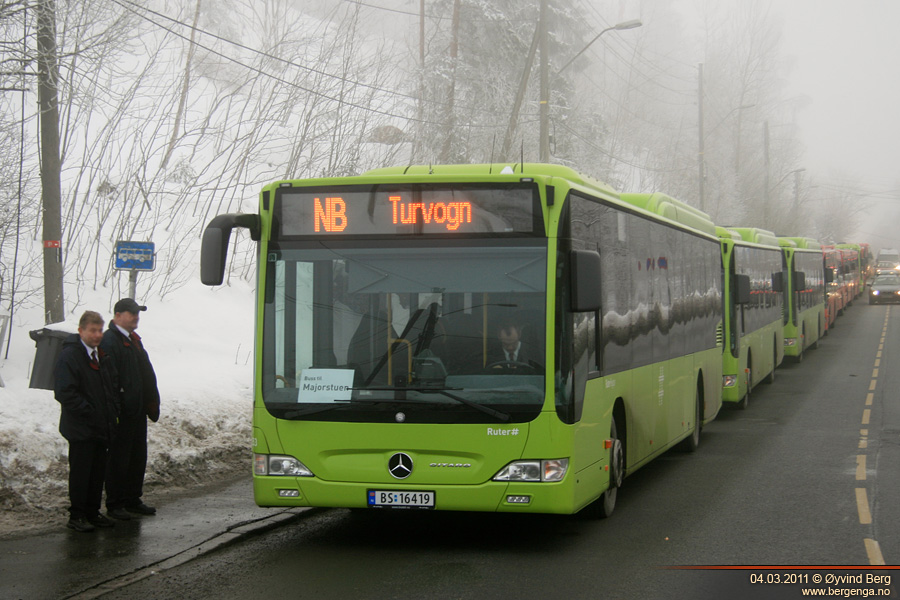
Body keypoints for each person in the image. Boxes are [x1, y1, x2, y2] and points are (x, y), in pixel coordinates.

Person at [54, 311, 119, 532]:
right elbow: (65, 392)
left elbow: (109, 388)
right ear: (81, 331)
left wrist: (111, 412)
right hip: (81, 428)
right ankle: (77, 515)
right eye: (92, 330)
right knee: (82, 473)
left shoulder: (101, 355)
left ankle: (93, 512)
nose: (97, 335)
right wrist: (89, 412)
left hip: (101, 427)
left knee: (97, 473)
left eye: (100, 330)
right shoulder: (70, 355)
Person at [101, 298, 160, 520]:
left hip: (136, 410)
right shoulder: (110, 341)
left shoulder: (133, 340)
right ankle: (115, 503)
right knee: (119, 459)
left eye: (137, 313)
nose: (135, 316)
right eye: (130, 313)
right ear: (117, 316)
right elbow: (110, 379)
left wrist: (150, 400)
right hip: (122, 412)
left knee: (136, 457)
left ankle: (132, 498)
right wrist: (116, 408)